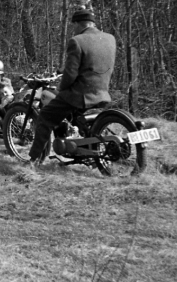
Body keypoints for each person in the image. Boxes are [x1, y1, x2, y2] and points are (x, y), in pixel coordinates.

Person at [28, 9, 116, 165]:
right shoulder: (110, 39)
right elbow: (92, 63)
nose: (73, 29)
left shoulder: (77, 41)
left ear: (78, 24)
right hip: (102, 93)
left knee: (46, 116)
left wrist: (60, 89)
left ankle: (34, 159)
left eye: (73, 25)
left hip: (80, 95)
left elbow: (70, 75)